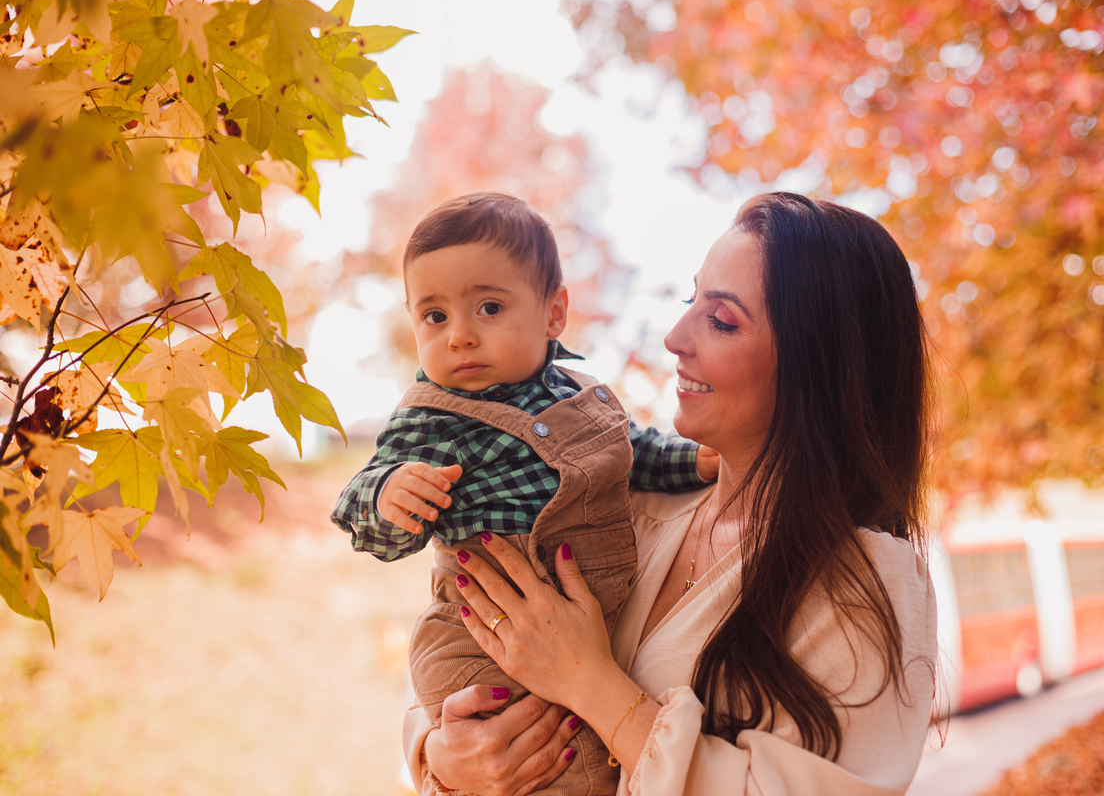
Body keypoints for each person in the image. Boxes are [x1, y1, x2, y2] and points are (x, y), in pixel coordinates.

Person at [401, 191, 939, 796]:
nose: (676, 337)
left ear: (819, 363)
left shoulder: (865, 582)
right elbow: (458, 640)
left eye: (722, 320)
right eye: (691, 301)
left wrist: (590, 683)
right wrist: (441, 756)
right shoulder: (623, 504)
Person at [330, 193, 719, 796]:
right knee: (551, 762)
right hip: (480, 637)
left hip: (574, 635)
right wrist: (386, 496)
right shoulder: (431, 421)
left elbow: (631, 450)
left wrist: (693, 459)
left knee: (578, 751)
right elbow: (360, 508)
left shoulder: (582, 395)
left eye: (487, 307)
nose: (458, 336)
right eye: (434, 317)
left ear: (554, 314)